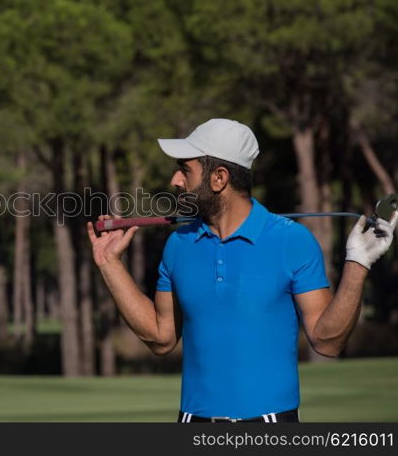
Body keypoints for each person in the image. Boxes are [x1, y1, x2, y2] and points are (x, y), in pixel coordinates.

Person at [86, 118, 397, 423]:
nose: (175, 181)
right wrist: (109, 263)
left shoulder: (292, 241)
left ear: (219, 178)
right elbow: (160, 337)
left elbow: (328, 342)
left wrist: (358, 264)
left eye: (185, 169)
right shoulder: (178, 245)